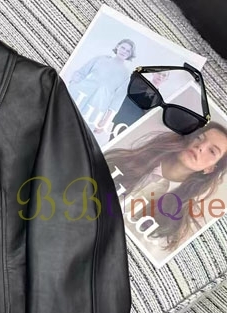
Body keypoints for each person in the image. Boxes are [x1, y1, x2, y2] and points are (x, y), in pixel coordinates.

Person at [105, 121, 227, 252]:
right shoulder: (127, 159)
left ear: (210, 168)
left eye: (212, 151)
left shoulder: (179, 221)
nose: (201, 146)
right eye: (199, 137)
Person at [67, 39, 136, 135]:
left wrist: (105, 122)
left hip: (95, 108)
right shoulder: (101, 59)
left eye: (128, 51)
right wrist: (72, 86)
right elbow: (80, 73)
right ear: (117, 46)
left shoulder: (126, 75)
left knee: (76, 133)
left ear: (130, 54)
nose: (124, 51)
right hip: (77, 96)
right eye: (123, 48)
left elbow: (117, 101)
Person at [109, 70, 170, 140]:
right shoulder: (138, 83)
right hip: (123, 117)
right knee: (113, 140)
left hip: (135, 125)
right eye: (159, 73)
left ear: (166, 79)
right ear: (153, 73)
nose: (160, 76)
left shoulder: (158, 99)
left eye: (164, 75)